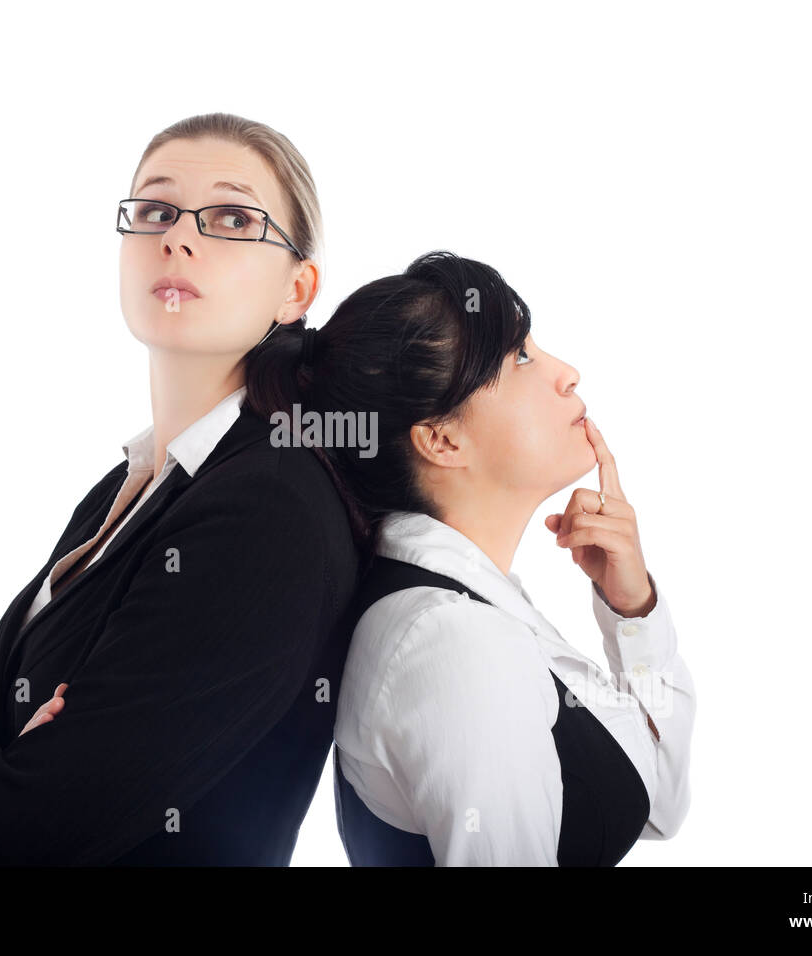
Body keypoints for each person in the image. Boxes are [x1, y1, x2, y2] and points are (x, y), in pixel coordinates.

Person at [0, 113, 363, 866]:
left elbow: (3, 835)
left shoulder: (268, 507)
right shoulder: (128, 484)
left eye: (234, 217)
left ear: (295, 289)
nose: (177, 237)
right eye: (154, 210)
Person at [252, 250, 696, 865]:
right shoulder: (454, 640)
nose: (567, 373)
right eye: (520, 357)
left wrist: (633, 609)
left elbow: (661, 803)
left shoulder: (474, 601)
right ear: (441, 438)